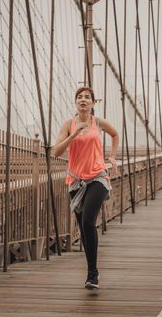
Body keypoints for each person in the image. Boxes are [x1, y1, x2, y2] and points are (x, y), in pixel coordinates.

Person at [54, 86, 119, 290]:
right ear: (76, 102)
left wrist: (113, 157)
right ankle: (91, 272)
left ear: (93, 103)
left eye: (87, 97)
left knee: (89, 221)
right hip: (76, 181)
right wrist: (74, 135)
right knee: (83, 226)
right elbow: (56, 152)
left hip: (98, 177)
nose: (83, 100)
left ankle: (93, 273)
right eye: (80, 97)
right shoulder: (68, 124)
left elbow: (115, 134)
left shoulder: (98, 123)